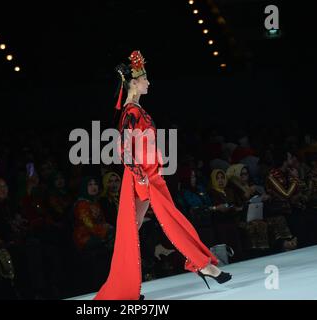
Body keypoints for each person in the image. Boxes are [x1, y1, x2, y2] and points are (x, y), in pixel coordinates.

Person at [94, 50, 231, 300]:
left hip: (150, 175)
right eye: (145, 78)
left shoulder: (135, 109)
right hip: (145, 177)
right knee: (171, 220)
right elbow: (122, 149)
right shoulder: (131, 112)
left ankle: (123, 289)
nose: (149, 82)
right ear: (133, 83)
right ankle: (203, 265)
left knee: (132, 229)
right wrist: (141, 176)